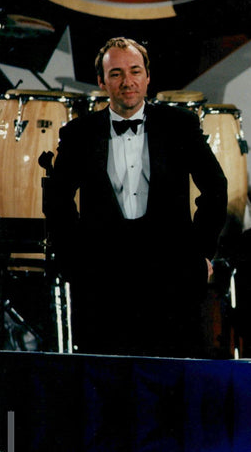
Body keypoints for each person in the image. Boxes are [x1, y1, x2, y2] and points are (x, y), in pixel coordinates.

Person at [44, 37, 228, 358]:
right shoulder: (78, 133)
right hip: (102, 277)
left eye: (134, 71)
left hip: (171, 274)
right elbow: (57, 200)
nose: (127, 82)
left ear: (147, 78)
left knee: (170, 381)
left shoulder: (180, 125)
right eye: (115, 74)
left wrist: (199, 252)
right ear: (102, 82)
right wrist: (73, 259)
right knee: (106, 381)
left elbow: (215, 186)